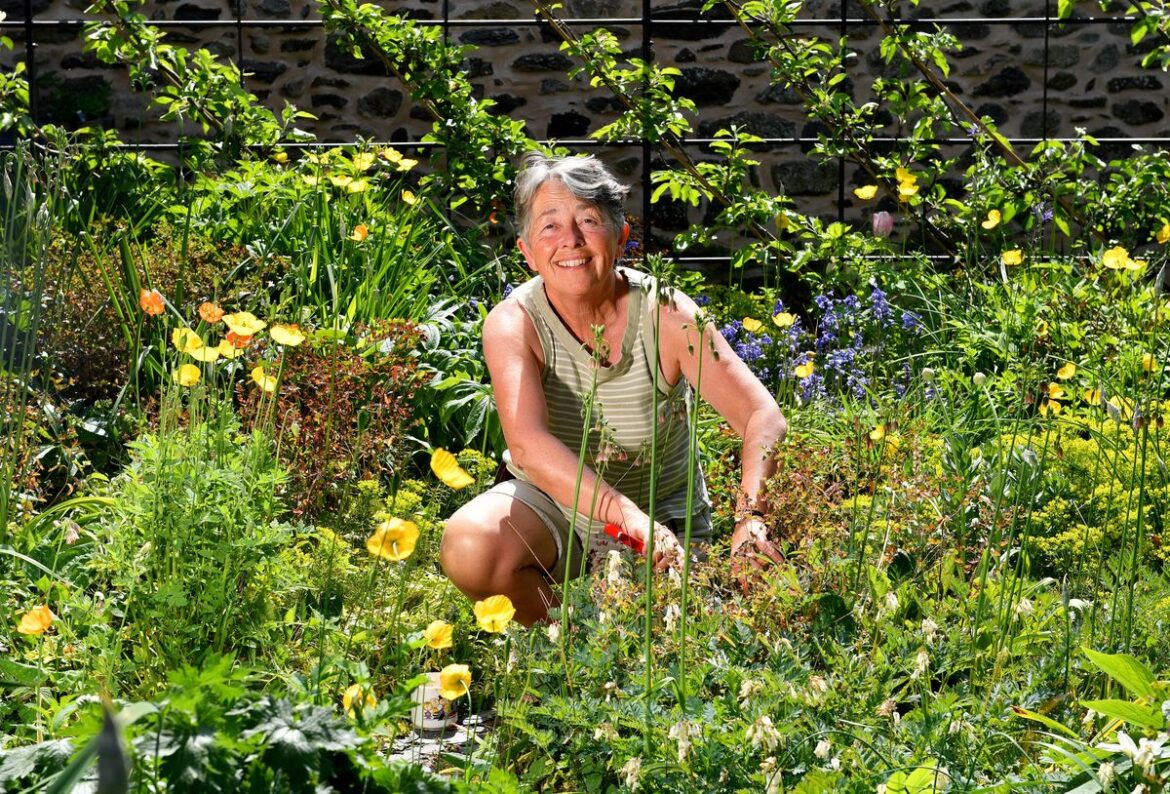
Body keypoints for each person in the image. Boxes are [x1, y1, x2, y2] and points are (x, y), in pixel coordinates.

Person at [440, 152, 786, 626]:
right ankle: (570, 642)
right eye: (550, 226)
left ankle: (619, 641)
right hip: (555, 512)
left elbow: (761, 416)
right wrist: (625, 518)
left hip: (664, 525)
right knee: (470, 545)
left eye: (588, 220)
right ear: (526, 251)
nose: (571, 242)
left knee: (681, 637)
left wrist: (750, 518)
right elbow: (529, 445)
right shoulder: (514, 323)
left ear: (621, 236)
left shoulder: (665, 313)